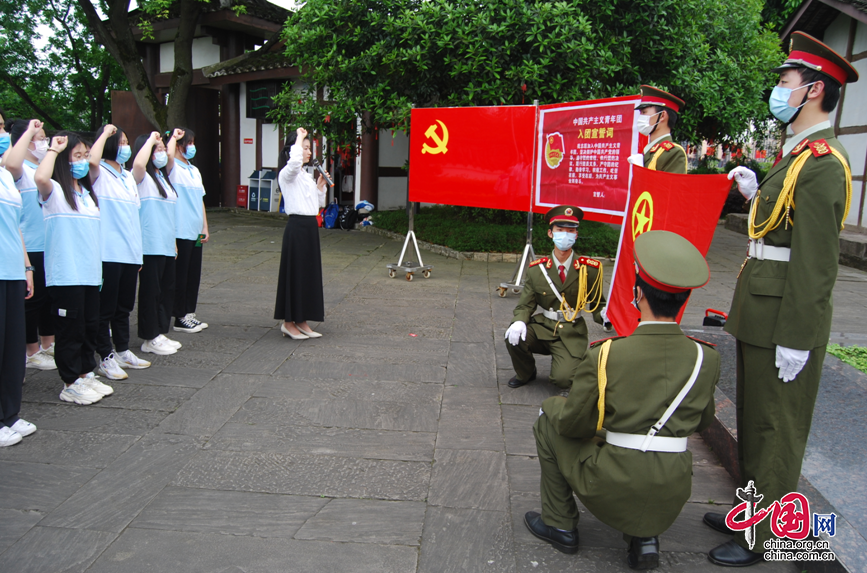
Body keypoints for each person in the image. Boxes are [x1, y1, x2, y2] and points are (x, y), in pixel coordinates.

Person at [705, 32, 859, 567]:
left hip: (785, 322)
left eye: (785, 82)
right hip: (760, 308)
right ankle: (750, 511)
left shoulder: (824, 161)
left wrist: (797, 338)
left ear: (813, 90)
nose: (777, 90)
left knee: (777, 430)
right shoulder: (798, 155)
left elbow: (817, 263)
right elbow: (782, 229)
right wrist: (754, 195)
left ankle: (766, 537)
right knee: (754, 419)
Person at [525, 230, 719, 570]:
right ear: (684, 299)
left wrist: (552, 407)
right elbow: (701, 421)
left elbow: (574, 423)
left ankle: (560, 524)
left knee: (549, 422)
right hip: (672, 489)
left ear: (637, 294)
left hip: (614, 483)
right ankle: (644, 538)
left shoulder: (608, 353)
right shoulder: (706, 357)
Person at [34, 132, 114, 404]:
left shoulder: (87, 194)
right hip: (66, 274)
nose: (82, 162)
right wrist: (54, 150)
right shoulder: (54, 191)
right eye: (77, 156)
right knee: (70, 329)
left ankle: (84, 373)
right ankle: (69, 382)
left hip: (90, 273)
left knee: (89, 325)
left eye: (84, 156)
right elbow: (41, 178)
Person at [504, 205, 605, 390]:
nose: (565, 235)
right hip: (544, 327)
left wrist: (606, 316)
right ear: (550, 233)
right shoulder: (537, 269)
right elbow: (525, 306)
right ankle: (526, 372)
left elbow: (598, 305)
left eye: (571, 231)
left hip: (572, 332)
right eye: (560, 230)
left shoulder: (589, 269)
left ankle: (566, 363)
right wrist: (518, 321)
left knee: (563, 380)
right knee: (514, 336)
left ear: (576, 235)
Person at [89, 124, 151, 379]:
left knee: (124, 306)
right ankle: (105, 356)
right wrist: (105, 134)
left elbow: (133, 216)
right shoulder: (98, 173)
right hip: (108, 252)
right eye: (121, 142)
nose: (124, 147)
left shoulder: (127, 177)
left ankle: (123, 350)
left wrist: (138, 253)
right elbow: (92, 160)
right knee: (105, 308)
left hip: (129, 252)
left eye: (127, 142)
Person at [6, 119, 56, 371]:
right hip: (30, 245)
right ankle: (31, 349)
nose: (43, 142)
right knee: (32, 301)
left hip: (49, 243)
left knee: (49, 299)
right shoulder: (16, 169)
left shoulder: (41, 167)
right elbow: (11, 162)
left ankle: (48, 343)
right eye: (38, 137)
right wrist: (29, 132)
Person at [0, 119, 37, 446]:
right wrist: (28, 131)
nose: (0, 135)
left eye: (1, 127)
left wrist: (26, 267)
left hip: (11, 269)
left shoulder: (5, 178)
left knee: (11, 348)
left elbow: (16, 226)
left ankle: (8, 414)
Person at [273, 127, 327, 339]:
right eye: (305, 148)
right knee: (294, 274)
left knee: (307, 275)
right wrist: (299, 137)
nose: (308, 152)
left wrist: (320, 187)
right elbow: (294, 162)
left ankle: (302, 320)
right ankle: (288, 322)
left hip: (309, 227)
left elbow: (316, 204)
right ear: (293, 149)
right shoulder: (288, 173)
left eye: (309, 148)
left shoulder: (305, 176)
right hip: (296, 228)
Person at [134, 130, 182, 355]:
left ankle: (160, 332)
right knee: (150, 292)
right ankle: (148, 335)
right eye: (158, 150)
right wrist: (152, 140)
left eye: (164, 149)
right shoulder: (141, 178)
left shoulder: (163, 177)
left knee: (165, 290)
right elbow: (139, 165)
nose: (163, 153)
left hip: (165, 244)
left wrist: (172, 241)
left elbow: (168, 214)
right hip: (149, 244)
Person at [168, 127, 209, 334]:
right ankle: (179, 315)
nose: (192, 147)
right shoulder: (172, 167)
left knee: (193, 274)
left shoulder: (193, 170)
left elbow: (200, 199)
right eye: (188, 143)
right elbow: (166, 158)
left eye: (193, 143)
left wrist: (204, 226)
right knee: (180, 275)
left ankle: (189, 312)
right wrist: (172, 138)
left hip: (194, 230)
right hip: (180, 229)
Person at [627, 86, 688, 174]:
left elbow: (671, 187)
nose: (640, 117)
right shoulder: (648, 150)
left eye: (644, 112)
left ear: (662, 116)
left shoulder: (674, 153)